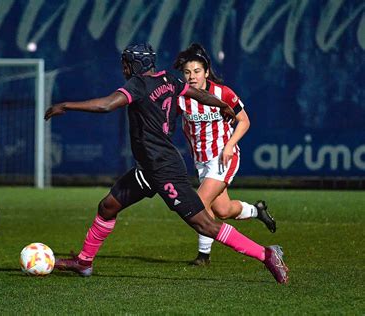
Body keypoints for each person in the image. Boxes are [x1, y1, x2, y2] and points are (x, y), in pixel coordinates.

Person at [44, 43, 288, 284]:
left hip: (163, 169)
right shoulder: (168, 80)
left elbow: (106, 105)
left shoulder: (138, 84)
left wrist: (65, 105)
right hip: (148, 168)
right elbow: (199, 94)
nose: (124, 68)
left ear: (134, 64)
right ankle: (84, 262)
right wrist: (221, 104)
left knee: (205, 224)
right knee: (108, 206)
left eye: (126, 63)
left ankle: (267, 254)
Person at [174, 43, 277, 266]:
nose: (192, 76)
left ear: (207, 71)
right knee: (222, 210)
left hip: (223, 157)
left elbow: (244, 121)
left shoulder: (222, 93)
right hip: (201, 161)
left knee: (199, 204)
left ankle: (203, 256)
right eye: (187, 72)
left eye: (197, 71)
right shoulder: (180, 97)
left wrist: (230, 145)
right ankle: (256, 211)